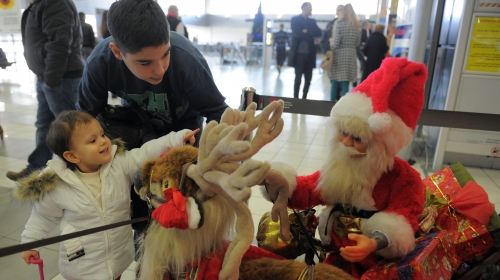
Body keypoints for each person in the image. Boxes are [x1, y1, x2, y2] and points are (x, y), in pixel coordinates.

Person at [75, 0, 228, 257]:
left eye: (165, 54)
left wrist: (219, 159)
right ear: (117, 52)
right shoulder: (101, 62)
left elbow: (218, 112)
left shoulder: (186, 59)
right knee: (142, 217)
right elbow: (82, 121)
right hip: (138, 142)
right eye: (145, 62)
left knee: (186, 217)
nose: (159, 69)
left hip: (183, 141)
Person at [262, 57, 428, 277]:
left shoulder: (402, 178)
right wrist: (279, 182)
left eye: (357, 139)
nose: (346, 143)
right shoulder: (343, 165)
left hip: (378, 267)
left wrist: (373, 242)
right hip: (337, 257)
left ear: (382, 146)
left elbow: (405, 217)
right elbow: (311, 189)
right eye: (343, 133)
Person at [15, 110, 196, 280]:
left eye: (102, 134)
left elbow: (145, 152)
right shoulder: (58, 185)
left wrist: (175, 139)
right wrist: (30, 243)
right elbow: (42, 217)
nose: (103, 141)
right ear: (72, 156)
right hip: (82, 266)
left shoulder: (119, 164)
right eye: (92, 141)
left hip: (117, 258)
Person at [6, 0, 85, 181]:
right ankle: (37, 170)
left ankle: (81, 175)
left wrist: (51, 80)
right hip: (49, 77)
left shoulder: (54, 3)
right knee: (44, 126)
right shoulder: (39, 4)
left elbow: (59, 44)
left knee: (70, 130)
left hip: (60, 78)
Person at [328, 4, 360, 100]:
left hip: (339, 55)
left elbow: (336, 43)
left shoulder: (339, 23)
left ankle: (331, 105)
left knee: (335, 80)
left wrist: (331, 42)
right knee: (346, 80)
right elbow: (357, 43)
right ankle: (343, 106)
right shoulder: (357, 25)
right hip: (351, 54)